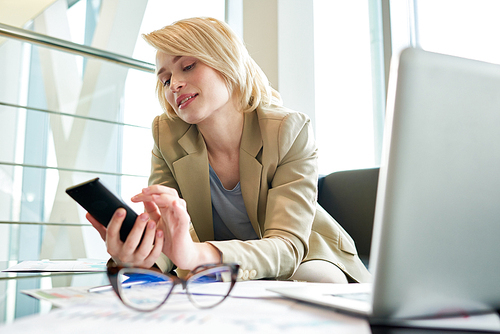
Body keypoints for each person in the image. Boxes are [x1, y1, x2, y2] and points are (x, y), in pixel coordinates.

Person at [88, 17, 371, 283]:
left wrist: (196, 256)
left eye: (187, 66)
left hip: (307, 256)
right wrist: (141, 254)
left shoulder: (288, 130)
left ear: (227, 62)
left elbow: (287, 246)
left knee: (314, 279)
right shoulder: (167, 134)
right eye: (164, 80)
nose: (174, 84)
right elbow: (169, 235)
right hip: (225, 265)